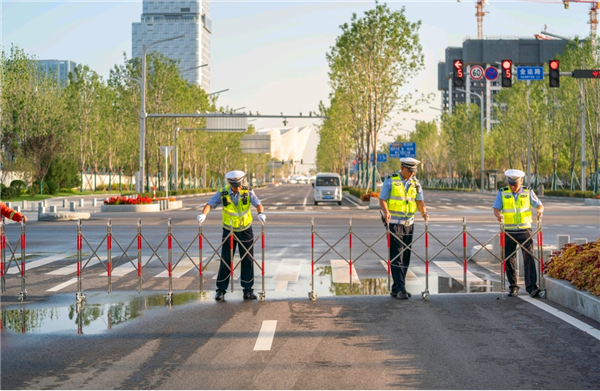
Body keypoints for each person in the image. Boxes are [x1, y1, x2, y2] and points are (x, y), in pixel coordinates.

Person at [197, 170, 265, 301]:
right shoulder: (223, 192)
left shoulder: (247, 191)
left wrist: (260, 213)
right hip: (229, 230)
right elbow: (210, 204)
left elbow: (258, 203)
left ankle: (248, 290)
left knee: (247, 260)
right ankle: (220, 291)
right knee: (226, 260)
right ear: (229, 182)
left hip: (245, 230)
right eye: (234, 185)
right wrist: (203, 215)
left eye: (239, 184)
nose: (237, 187)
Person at [379, 158, 429, 299]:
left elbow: (419, 200)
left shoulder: (415, 183)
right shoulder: (391, 180)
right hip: (394, 223)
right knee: (397, 256)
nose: (412, 174)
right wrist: (386, 212)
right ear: (402, 167)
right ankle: (401, 288)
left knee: (406, 256)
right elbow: (382, 199)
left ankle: (396, 288)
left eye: (413, 172)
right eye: (409, 171)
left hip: (409, 224)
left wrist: (423, 212)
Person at [493, 169, 544, 298]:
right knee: (509, 260)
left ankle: (531, 287)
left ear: (521, 181)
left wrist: (539, 210)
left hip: (525, 230)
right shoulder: (502, 193)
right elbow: (496, 208)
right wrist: (498, 215)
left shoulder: (528, 192)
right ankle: (513, 287)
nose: (512, 188)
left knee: (529, 259)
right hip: (509, 231)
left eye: (515, 185)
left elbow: (539, 205)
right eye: (510, 185)